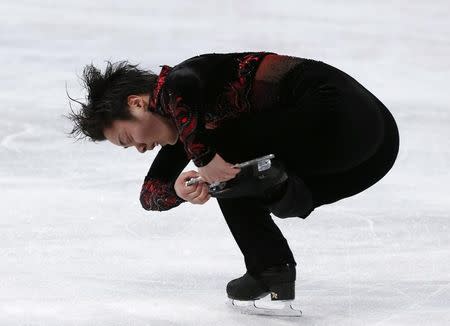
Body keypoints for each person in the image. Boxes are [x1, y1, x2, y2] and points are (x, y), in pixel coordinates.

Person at [66, 51, 400, 306]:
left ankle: (273, 227)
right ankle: (271, 268)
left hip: (346, 118)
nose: (139, 149)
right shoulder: (191, 127)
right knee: (245, 175)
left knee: (227, 156)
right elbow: (150, 195)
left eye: (128, 138)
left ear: (137, 103)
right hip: (363, 161)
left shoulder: (181, 83)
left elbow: (182, 98)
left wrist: (206, 159)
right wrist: (181, 192)